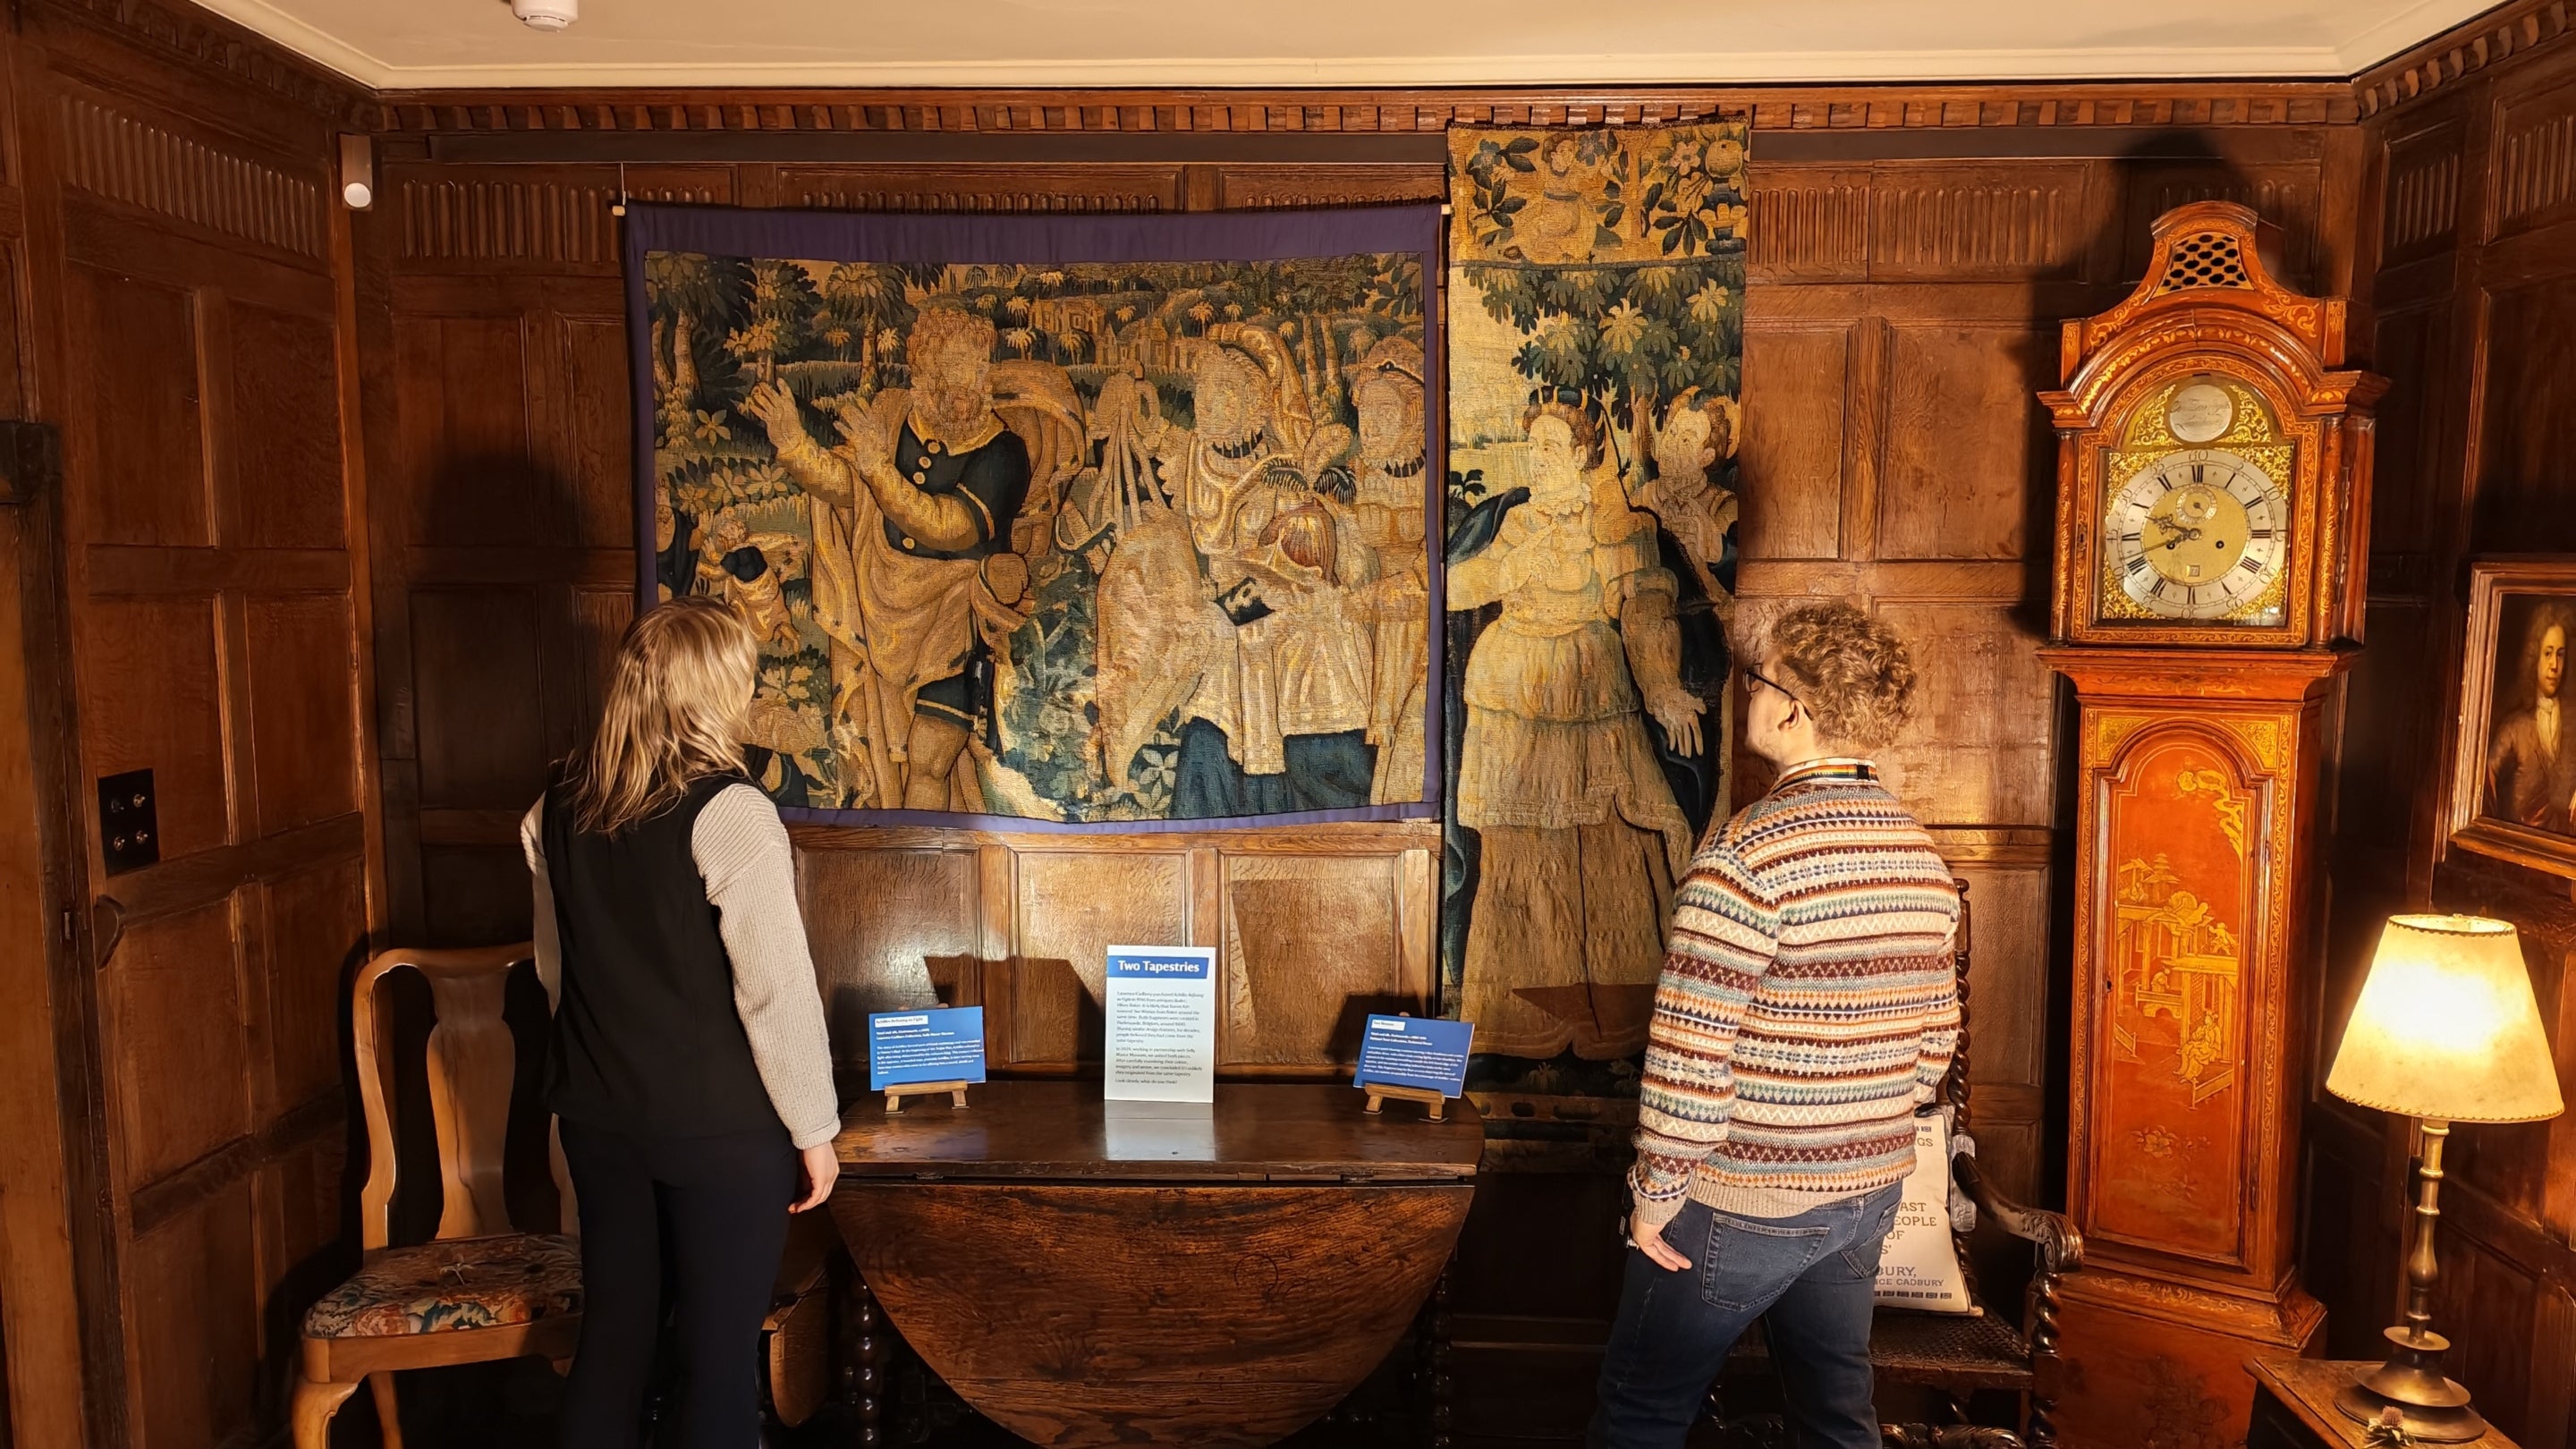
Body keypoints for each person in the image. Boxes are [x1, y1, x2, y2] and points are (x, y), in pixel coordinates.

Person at [1590, 600, 1961, 1449]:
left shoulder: (1746, 859)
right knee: (1835, 1414)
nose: (1747, 696)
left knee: (1642, 1411)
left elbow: (1689, 1063)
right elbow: (1932, 1045)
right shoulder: (1918, 855)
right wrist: (1853, 1121)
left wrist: (1652, 1200)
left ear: (1789, 707)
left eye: (1756, 681)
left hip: (1738, 1200)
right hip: (1867, 1190)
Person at [521, 597, 842, 1449]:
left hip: (596, 1120)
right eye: (742, 677)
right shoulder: (732, 811)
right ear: (714, 689)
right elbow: (775, 993)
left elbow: (559, 969)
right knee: (716, 1363)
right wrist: (815, 1129)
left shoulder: (553, 802)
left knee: (614, 1346)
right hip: (717, 1133)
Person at [1449, 400, 1703, 1060]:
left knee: (1609, 853)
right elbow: (1454, 588)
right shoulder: (1517, 523)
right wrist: (1510, 567)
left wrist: (1664, 687)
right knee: (1519, 861)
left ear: (1586, 457)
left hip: (1589, 695)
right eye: (1531, 447)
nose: (1537, 459)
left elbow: (1646, 609)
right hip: (1512, 698)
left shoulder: (1619, 527)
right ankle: (1515, 1030)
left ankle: (1613, 1033)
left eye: (1552, 448)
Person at [745, 305, 1033, 810]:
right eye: (950, 367)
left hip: (952, 614)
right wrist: (794, 444)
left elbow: (951, 528)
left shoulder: (1004, 451)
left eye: (974, 366)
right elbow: (846, 490)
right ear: (922, 370)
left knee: (928, 758)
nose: (966, 380)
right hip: (879, 606)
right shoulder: (893, 415)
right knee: (880, 769)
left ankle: (927, 863)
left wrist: (879, 469)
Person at [2486, 605, 2574, 835]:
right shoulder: (2513, 728)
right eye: (2548, 653)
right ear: (2534, 657)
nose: (2555, 665)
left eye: (2560, 654)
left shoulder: (2573, 720)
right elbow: (2485, 779)